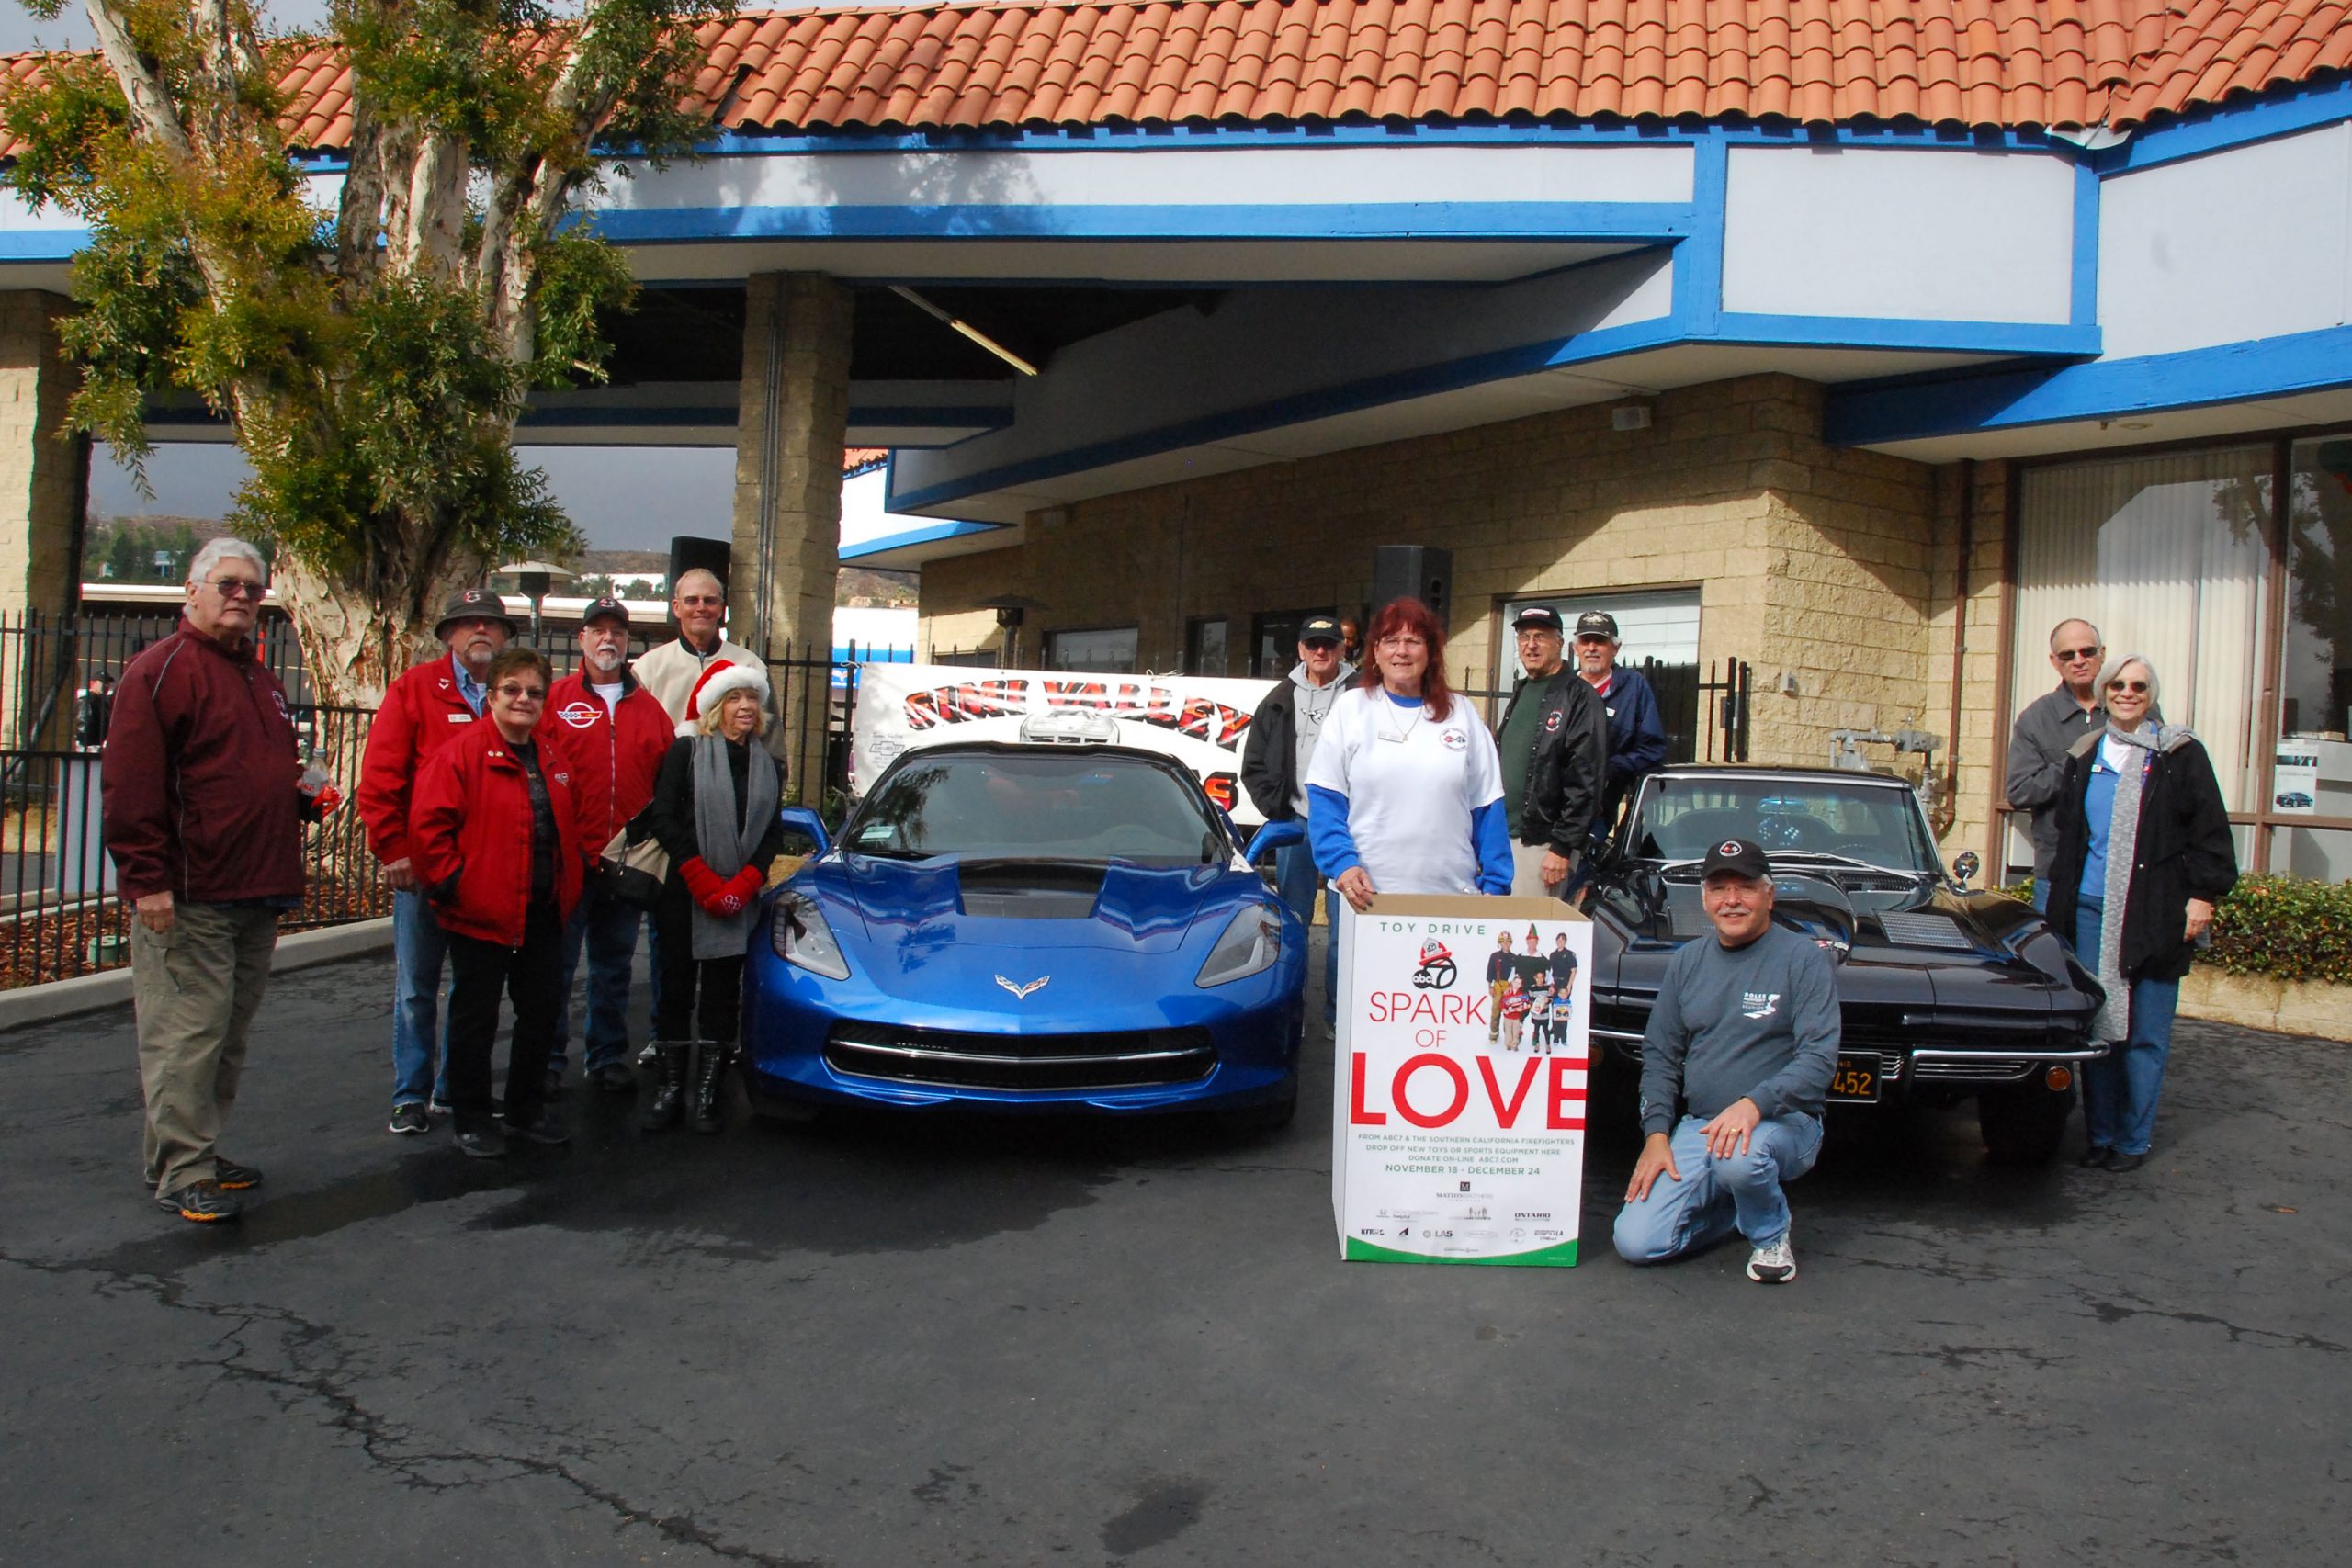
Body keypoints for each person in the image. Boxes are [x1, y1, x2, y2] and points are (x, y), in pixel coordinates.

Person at [104, 538, 318, 1224]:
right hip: (190, 894)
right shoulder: (159, 672)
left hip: (256, 886)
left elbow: (247, 774)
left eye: (254, 589)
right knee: (186, 1035)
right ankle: (182, 1169)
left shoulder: (260, 678)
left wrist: (298, 798)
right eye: (228, 583)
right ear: (190, 591)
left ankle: (192, 1149)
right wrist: (148, 881)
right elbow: (131, 787)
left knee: (224, 1035)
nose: (243, 597)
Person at [1612, 837, 1838, 1284]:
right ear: (1705, 898)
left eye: (1745, 887)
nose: (1731, 900)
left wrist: (1754, 1104)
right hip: (1702, 1125)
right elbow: (1660, 1055)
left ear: (1769, 895)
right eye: (1719, 888)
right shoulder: (1686, 962)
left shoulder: (1803, 960)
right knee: (1636, 1243)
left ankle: (1770, 1233)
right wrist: (1656, 1134)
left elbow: (1819, 1059)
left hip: (1783, 1125)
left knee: (1741, 1155)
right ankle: (1735, 1212)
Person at [2042, 655, 2236, 1173]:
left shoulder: (2179, 753)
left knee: (2146, 1035)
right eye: (2118, 685)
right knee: (2100, 1031)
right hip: (2088, 910)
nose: (2128, 692)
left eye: (2140, 686)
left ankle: (2132, 1141)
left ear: (2152, 695)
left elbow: (2210, 832)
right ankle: (2100, 1135)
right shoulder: (2084, 754)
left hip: (2153, 913)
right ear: (2103, 692)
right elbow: (2068, 837)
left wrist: (2203, 896)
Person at [410, 645, 595, 1157]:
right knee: (476, 1018)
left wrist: (569, 885)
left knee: (540, 1014)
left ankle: (524, 1111)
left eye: (535, 692)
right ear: (490, 696)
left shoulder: (553, 756)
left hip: (541, 913)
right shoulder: (460, 754)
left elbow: (570, 827)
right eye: (512, 689)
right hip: (480, 915)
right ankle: (470, 1118)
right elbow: (429, 832)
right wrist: (457, 888)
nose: (524, 700)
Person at [356, 586, 516, 1135]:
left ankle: (455, 1089)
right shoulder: (414, 690)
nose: (481, 633)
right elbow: (381, 777)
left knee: (474, 989)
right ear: (447, 634)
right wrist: (393, 849)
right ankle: (411, 1094)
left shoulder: (513, 696)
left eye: (491, 625)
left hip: (486, 874)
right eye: (469, 624)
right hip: (424, 871)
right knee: (416, 987)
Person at [1306, 596, 1512, 939]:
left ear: (1430, 651)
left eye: (1413, 641)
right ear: (1376, 651)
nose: (1401, 651)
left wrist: (1496, 884)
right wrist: (1342, 863)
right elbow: (1325, 797)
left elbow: (1488, 807)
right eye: (1391, 641)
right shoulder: (1351, 709)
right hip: (1365, 899)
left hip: (1450, 903)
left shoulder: (1463, 715)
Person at [644, 660, 788, 1134]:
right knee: (676, 990)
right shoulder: (686, 751)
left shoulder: (768, 764)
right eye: (734, 698)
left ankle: (707, 1093)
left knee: (723, 996)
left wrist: (746, 881)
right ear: (715, 708)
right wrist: (700, 877)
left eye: (752, 698)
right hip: (684, 893)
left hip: (736, 897)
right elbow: (662, 817)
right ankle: (669, 1091)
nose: (746, 706)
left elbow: (771, 832)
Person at [544, 597, 673, 1094]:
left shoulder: (650, 710)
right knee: (556, 969)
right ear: (582, 639)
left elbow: (665, 784)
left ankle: (605, 1056)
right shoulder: (555, 701)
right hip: (569, 859)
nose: (608, 640)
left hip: (626, 861)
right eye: (597, 631)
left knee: (614, 967)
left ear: (627, 641)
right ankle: (550, 1059)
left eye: (616, 632)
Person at [1240, 615, 1355, 1025]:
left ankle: (1336, 1018)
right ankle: (1292, 1014)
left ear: (1343, 649)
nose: (1320, 652)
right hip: (1298, 826)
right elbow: (1253, 763)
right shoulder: (1278, 698)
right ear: (1301, 650)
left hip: (1350, 829)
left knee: (1348, 931)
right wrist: (1279, 808)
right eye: (1313, 644)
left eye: (1329, 644)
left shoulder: (1362, 696)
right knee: (1292, 923)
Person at [1495, 605, 1610, 898]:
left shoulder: (1579, 696)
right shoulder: (1522, 691)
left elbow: (1586, 779)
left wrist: (1562, 847)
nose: (1530, 645)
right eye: (1524, 636)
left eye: (1540, 636)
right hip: (1504, 838)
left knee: (1528, 934)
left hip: (1542, 845)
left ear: (1560, 643)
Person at [2005, 617, 2109, 911]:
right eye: (2068, 655)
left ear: (2103, 653)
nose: (2079, 661)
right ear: (2054, 661)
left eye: (2087, 652)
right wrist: (2076, 762)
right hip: (2057, 871)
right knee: (2056, 956)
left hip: (2122, 874)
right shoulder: (2036, 719)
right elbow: (2020, 791)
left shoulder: (2129, 706)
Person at [634, 568, 777, 740]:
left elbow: (770, 739)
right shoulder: (648, 667)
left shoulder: (749, 664)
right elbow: (636, 734)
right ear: (676, 608)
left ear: (721, 608)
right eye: (691, 600)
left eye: (710, 601)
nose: (701, 608)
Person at [1572, 611, 1669, 846]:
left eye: (1600, 641)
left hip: (1599, 810)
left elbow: (1652, 748)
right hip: (1552, 809)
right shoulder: (1562, 688)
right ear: (1576, 648)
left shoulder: (1634, 687)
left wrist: (1611, 769)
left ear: (1615, 648)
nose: (1592, 648)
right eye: (1586, 641)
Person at [1483, 930, 1516, 1043]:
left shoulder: (1514, 958)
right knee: (1496, 1008)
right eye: (1503, 942)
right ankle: (1494, 1034)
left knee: (1509, 1010)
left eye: (1508, 942)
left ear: (1511, 943)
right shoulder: (1494, 956)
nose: (1505, 944)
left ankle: (1509, 1035)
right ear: (1500, 943)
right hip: (1497, 984)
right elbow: (1490, 972)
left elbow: (1516, 975)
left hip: (1509, 985)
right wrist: (1490, 987)